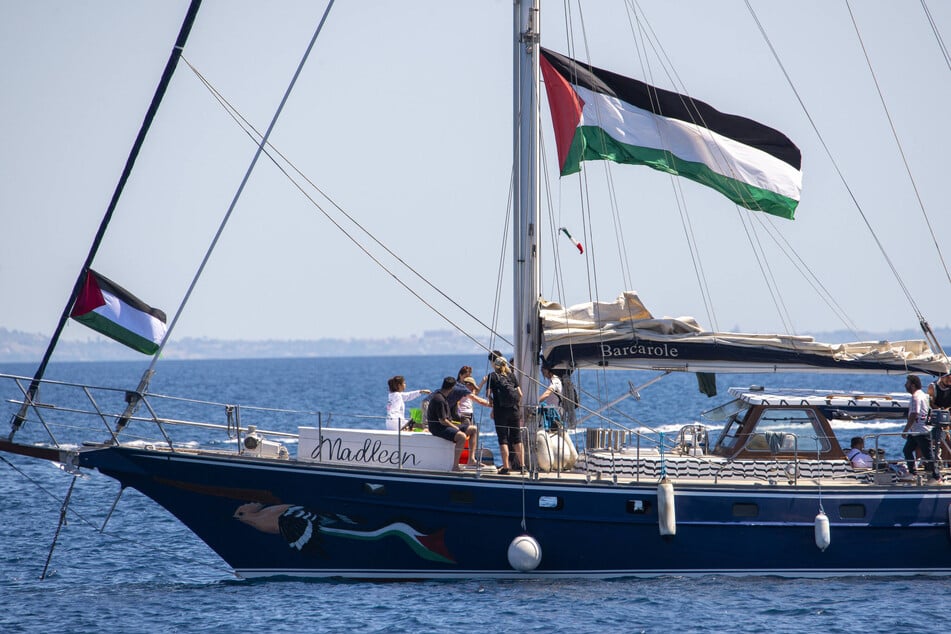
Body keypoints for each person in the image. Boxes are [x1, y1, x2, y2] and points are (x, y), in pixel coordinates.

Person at [427, 377, 478, 470]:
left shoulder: (445, 397)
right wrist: (455, 427)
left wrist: (463, 420)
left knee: (473, 429)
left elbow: (453, 415)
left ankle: (471, 460)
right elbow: (443, 420)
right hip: (438, 427)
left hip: (445, 425)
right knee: (461, 436)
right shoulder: (439, 399)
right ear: (452, 387)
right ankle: (455, 466)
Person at [486, 350, 523, 474]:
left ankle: (506, 467)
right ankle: (523, 466)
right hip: (514, 411)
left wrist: (492, 405)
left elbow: (488, 395)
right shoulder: (512, 376)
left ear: (495, 365)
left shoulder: (492, 376)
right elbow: (520, 394)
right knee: (517, 439)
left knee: (503, 440)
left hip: (500, 412)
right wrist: (516, 406)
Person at [902, 374, 941, 482]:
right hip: (916, 432)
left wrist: (905, 430)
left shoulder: (916, 397)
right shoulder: (923, 395)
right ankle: (912, 473)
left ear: (913, 385)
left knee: (928, 454)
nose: (905, 385)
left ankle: (937, 477)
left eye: (907, 383)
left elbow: (914, 414)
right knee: (907, 450)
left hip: (921, 431)